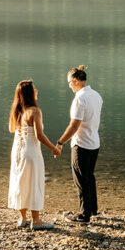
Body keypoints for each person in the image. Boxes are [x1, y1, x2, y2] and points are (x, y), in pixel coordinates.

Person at [7, 79, 62, 230]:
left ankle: (23, 218)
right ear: (30, 94)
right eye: (34, 89)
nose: (37, 90)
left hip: (17, 151)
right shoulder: (35, 111)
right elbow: (39, 136)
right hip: (31, 152)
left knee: (20, 182)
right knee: (34, 183)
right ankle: (36, 221)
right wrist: (54, 148)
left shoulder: (18, 111)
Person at [53, 65, 103, 224]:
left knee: (81, 180)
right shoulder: (96, 95)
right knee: (89, 177)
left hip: (81, 144)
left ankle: (83, 215)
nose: (68, 86)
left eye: (69, 82)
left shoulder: (80, 99)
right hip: (94, 142)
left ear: (75, 81)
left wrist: (60, 142)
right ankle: (93, 210)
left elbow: (74, 126)